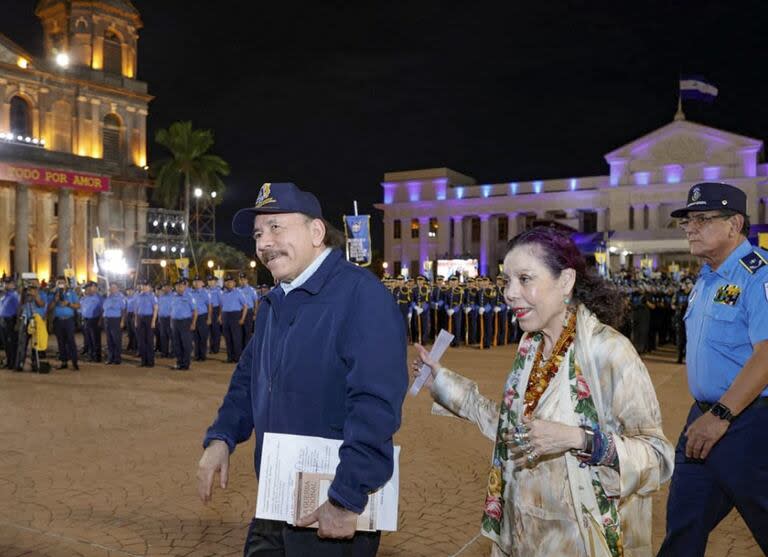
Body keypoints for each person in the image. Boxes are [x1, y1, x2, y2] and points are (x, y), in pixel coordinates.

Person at [412, 227, 673, 557]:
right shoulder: (530, 347)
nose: (509, 293)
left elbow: (658, 456)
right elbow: (510, 429)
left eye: (524, 279)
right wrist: (441, 381)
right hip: (523, 535)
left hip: (579, 539)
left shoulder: (608, 352)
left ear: (565, 281)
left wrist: (579, 439)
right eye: (506, 280)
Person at [197, 182, 407, 556]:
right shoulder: (276, 301)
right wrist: (222, 437)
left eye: (276, 227)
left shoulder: (361, 296)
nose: (264, 243)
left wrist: (346, 496)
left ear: (316, 232)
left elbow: (375, 405)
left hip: (331, 506)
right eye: (259, 234)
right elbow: (249, 377)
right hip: (276, 498)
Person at [659, 183, 768, 556]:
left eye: (702, 219)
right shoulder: (706, 279)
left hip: (749, 423)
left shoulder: (758, 275)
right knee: (682, 528)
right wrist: (711, 414)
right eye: (688, 221)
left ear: (734, 224)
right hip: (703, 418)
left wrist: (723, 413)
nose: (690, 228)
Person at [50, 276, 80, 371]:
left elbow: (78, 305)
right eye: (59, 282)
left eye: (63, 282)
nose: (61, 284)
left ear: (66, 283)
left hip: (69, 320)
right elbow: (49, 308)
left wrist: (68, 304)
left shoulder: (72, 293)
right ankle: (64, 362)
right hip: (58, 321)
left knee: (71, 341)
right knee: (61, 342)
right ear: (56, 284)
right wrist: (55, 300)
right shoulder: (53, 294)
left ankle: (75, 362)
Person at [218, 273, 247, 363]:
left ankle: (237, 358)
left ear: (234, 283)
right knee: (228, 338)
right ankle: (230, 357)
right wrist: (220, 316)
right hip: (225, 316)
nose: (228, 283)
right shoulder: (223, 294)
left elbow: (245, 306)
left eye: (230, 282)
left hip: (235, 315)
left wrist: (242, 318)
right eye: (227, 282)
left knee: (236, 338)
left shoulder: (239, 293)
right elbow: (221, 306)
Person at [170, 278, 196, 371]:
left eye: (181, 285)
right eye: (177, 286)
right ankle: (179, 362)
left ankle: (186, 364)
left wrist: (193, 323)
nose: (179, 287)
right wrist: (171, 322)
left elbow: (195, 311)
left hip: (185, 322)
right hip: (175, 322)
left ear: (185, 286)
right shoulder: (173, 296)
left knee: (186, 344)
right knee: (177, 344)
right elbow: (172, 310)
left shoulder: (189, 296)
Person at [134, 279, 158, 368]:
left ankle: (150, 361)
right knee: (141, 341)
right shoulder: (138, 296)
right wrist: (136, 320)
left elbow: (155, 309)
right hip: (140, 318)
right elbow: (136, 310)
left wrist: (153, 321)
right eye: (143, 285)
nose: (144, 287)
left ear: (149, 287)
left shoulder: (152, 296)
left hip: (149, 318)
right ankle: (143, 361)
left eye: (146, 286)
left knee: (149, 341)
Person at [102, 282, 126, 365]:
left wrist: (122, 321)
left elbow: (123, 310)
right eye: (111, 288)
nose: (112, 289)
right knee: (109, 340)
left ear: (117, 288)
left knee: (116, 340)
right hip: (107, 320)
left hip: (116, 320)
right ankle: (110, 358)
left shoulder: (121, 298)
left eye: (114, 288)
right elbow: (104, 308)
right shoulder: (108, 297)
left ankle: (117, 358)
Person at [80, 281, 103, 362]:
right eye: (86, 289)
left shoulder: (98, 298)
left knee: (95, 339)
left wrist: (100, 321)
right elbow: (81, 309)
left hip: (95, 320)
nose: (87, 290)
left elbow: (102, 310)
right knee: (88, 339)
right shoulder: (84, 298)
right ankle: (91, 355)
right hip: (86, 320)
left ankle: (97, 356)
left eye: (89, 288)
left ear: (94, 288)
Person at [190, 276, 212, 362]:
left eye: (198, 281)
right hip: (193, 317)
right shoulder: (191, 293)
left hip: (203, 316)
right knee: (195, 337)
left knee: (203, 337)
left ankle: (202, 356)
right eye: (195, 281)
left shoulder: (206, 293)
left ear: (202, 283)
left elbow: (209, 306)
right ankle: (197, 355)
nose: (196, 283)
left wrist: (209, 318)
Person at [0, 277, 20, 369]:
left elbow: (18, 309)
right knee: (6, 343)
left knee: (11, 343)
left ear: (13, 284)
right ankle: (9, 361)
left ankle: (13, 363)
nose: (6, 285)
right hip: (3, 320)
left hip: (11, 321)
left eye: (9, 283)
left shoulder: (14, 295)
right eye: (5, 283)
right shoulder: (4, 295)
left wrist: (17, 323)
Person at [238, 272, 258, 348]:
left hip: (249, 312)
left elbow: (256, 302)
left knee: (247, 332)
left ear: (247, 280)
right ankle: (241, 349)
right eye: (241, 279)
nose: (242, 281)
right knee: (239, 332)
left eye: (244, 279)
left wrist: (255, 313)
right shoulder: (237, 290)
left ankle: (247, 349)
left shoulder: (251, 290)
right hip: (239, 312)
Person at [157, 282, 174, 358]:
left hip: (171, 318)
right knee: (163, 336)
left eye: (167, 287)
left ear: (170, 288)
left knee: (172, 336)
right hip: (162, 318)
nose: (165, 288)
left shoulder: (174, 296)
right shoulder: (160, 296)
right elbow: (158, 308)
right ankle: (164, 352)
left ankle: (173, 352)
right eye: (164, 287)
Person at [207, 274, 223, 354]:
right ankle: (211, 347)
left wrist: (220, 315)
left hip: (216, 311)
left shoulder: (218, 291)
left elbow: (221, 304)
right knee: (210, 331)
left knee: (216, 331)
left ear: (215, 282)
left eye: (212, 280)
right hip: (208, 311)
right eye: (209, 281)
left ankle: (216, 348)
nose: (210, 282)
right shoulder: (206, 290)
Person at [125, 285, 138, 354]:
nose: (129, 292)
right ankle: (131, 345)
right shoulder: (127, 298)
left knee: (135, 331)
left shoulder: (136, 297)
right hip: (128, 315)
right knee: (129, 331)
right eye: (128, 290)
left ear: (133, 290)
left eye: (130, 290)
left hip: (134, 314)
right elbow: (126, 307)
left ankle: (136, 346)